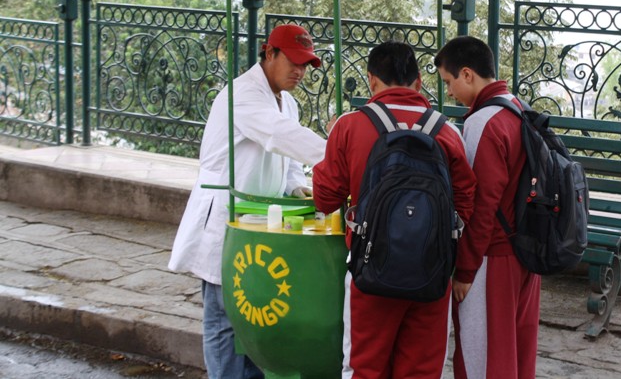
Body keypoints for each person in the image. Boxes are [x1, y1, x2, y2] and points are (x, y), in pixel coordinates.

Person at [168, 24, 327, 379]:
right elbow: (275, 135)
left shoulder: (290, 103)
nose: (299, 72)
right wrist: (340, 152)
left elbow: (286, 159)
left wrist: (296, 185)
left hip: (258, 223)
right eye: (294, 62)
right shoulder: (241, 95)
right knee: (225, 318)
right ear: (269, 54)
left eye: (306, 65)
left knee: (257, 316)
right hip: (225, 216)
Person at [313, 41, 476, 379]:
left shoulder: (349, 126)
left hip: (370, 273)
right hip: (432, 275)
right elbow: (465, 203)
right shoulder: (447, 132)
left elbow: (325, 199)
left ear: (372, 81)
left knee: (364, 368)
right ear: (418, 82)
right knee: (421, 371)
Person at [434, 36, 542, 379]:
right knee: (516, 358)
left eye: (449, 82)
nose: (449, 92)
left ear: (467, 74)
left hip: (492, 259)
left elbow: (480, 205)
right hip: (526, 252)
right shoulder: (517, 107)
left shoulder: (484, 122)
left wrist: (464, 270)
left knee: (482, 360)